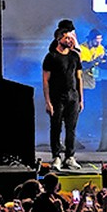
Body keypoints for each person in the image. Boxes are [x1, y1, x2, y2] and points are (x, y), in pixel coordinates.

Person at [42, 25, 84, 171]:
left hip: (73, 96)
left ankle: (70, 157)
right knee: (56, 127)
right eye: (66, 37)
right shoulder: (51, 57)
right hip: (56, 97)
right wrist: (48, 101)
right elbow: (45, 81)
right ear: (59, 39)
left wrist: (81, 99)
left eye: (71, 37)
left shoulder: (74, 56)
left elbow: (79, 78)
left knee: (71, 128)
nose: (70, 40)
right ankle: (56, 157)